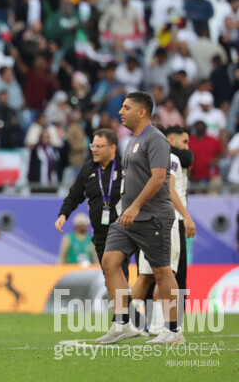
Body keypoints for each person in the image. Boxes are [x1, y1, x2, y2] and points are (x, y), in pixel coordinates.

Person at [96, 91, 184, 345]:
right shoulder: (133, 140)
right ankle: (122, 324)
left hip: (152, 216)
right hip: (128, 217)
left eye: (126, 107)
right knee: (110, 261)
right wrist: (127, 209)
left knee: (161, 271)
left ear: (142, 111)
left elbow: (159, 178)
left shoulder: (156, 139)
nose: (120, 111)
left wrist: (134, 207)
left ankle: (173, 330)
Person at [131, 125, 197, 335]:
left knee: (145, 275)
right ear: (169, 140)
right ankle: (160, 325)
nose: (186, 148)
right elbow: (169, 189)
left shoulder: (145, 160)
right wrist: (186, 216)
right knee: (168, 274)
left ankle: (126, 321)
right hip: (169, 220)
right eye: (184, 142)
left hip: (147, 220)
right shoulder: (172, 159)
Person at [55, 129, 126, 276]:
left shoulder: (125, 168)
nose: (94, 150)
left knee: (118, 272)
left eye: (99, 146)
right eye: (92, 146)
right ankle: (119, 299)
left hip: (121, 232)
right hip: (99, 233)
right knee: (108, 275)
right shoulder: (88, 169)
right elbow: (74, 195)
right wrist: (63, 214)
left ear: (112, 148)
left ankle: (123, 299)